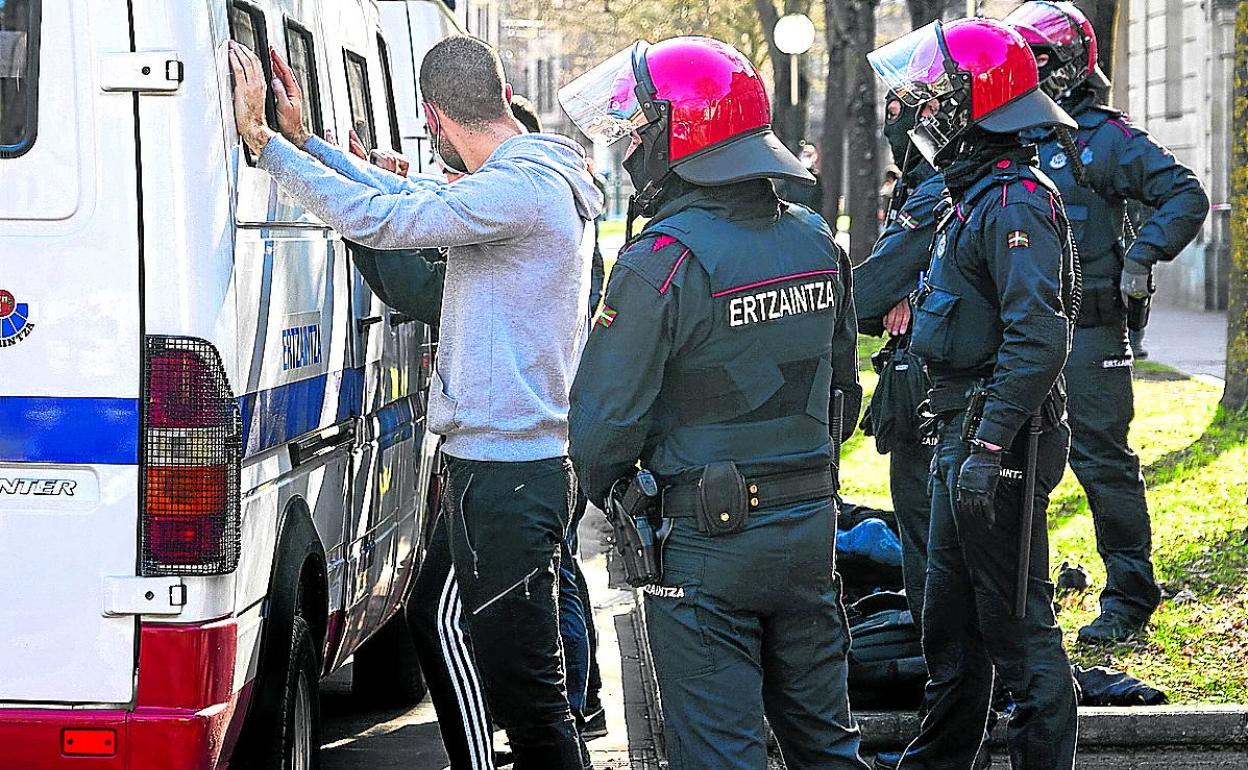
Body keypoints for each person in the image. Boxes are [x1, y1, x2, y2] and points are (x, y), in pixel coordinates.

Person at [229, 35, 603, 769]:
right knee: (435, 614)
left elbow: (384, 222)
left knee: (531, 703)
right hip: (495, 466)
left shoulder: (518, 189)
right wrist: (308, 143)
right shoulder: (524, 173)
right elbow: (410, 196)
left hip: (510, 474)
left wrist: (266, 146)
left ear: (433, 116)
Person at [562, 37, 869, 770]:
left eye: (638, 128)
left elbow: (600, 429)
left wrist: (623, 496)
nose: (631, 142)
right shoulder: (816, 239)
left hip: (706, 542)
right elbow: (844, 393)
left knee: (719, 755)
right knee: (827, 745)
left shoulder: (659, 264)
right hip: (809, 532)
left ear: (681, 135)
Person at [868, 17, 1081, 769]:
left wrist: (989, 445)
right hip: (963, 424)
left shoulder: (1015, 201)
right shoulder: (976, 190)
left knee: (1017, 627)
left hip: (1002, 432)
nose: (921, 115)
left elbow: (1038, 336)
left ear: (969, 105)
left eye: (932, 100)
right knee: (950, 625)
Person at [1004, 0, 1210, 644]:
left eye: (1036, 62)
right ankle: (1022, 595)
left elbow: (1185, 193)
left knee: (1103, 463)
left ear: (1065, 65)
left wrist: (1143, 257)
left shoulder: (1102, 137)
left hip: (1092, 332)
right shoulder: (1006, 138)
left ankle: (1129, 596)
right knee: (1014, 462)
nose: (1024, 75)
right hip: (1025, 334)